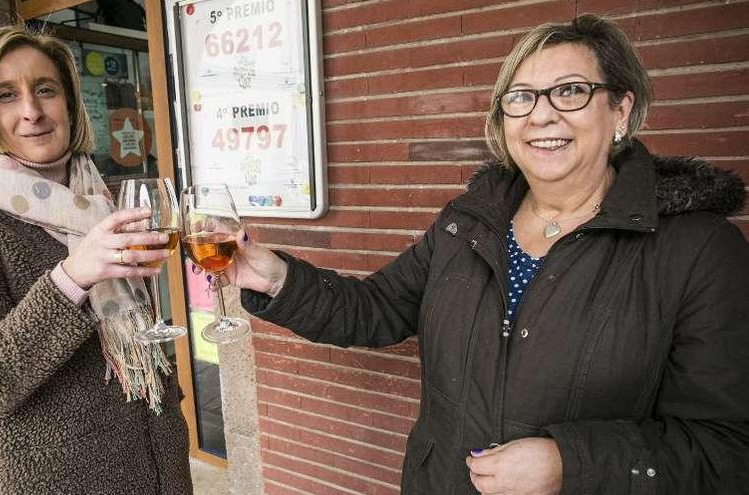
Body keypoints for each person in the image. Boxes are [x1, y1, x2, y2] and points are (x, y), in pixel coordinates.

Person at [229, 14, 748, 495]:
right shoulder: (470, 221)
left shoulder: (698, 251)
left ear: (621, 109)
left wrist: (571, 463)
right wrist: (277, 280)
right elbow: (378, 307)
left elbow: (727, 448)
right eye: (521, 97)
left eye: (571, 91)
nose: (542, 115)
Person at [0, 25, 192, 494]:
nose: (32, 112)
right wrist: (74, 274)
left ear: (70, 102)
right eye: (5, 96)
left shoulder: (95, 197)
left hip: (158, 466)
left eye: (45, 90)